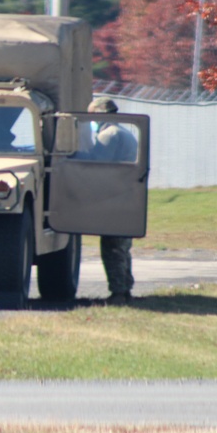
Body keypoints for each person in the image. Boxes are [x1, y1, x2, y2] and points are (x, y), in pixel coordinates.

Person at [88, 96, 138, 304]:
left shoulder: (109, 135)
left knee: (112, 247)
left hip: (113, 197)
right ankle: (125, 288)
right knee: (122, 247)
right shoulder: (126, 133)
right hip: (126, 196)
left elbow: (96, 163)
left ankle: (118, 291)